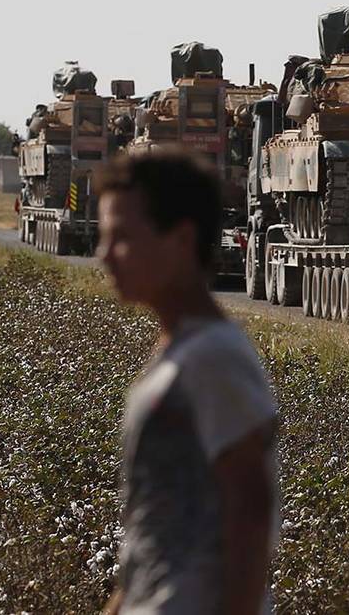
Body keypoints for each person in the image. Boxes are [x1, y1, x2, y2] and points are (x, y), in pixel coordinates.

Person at [95, 149, 278, 615]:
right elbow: (152, 531)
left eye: (121, 238)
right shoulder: (180, 353)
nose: (104, 254)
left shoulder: (214, 358)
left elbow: (252, 512)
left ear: (180, 240)